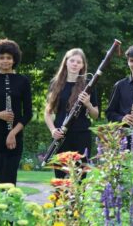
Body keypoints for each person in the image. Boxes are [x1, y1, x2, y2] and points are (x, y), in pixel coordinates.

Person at [44, 48, 99, 178]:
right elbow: (47, 113)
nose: (75, 64)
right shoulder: (55, 83)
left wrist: (88, 104)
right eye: (72, 61)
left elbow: (95, 115)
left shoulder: (88, 85)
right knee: (60, 177)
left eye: (78, 62)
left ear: (83, 66)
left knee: (79, 178)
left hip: (81, 136)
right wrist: (53, 131)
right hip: (61, 136)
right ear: (66, 62)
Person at [0, 39, 32, 185]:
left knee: (8, 181)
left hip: (14, 138)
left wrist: (12, 133)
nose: (5, 61)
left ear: (14, 59)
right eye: (1, 58)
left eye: (8, 58)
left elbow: (28, 114)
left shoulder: (23, 81)